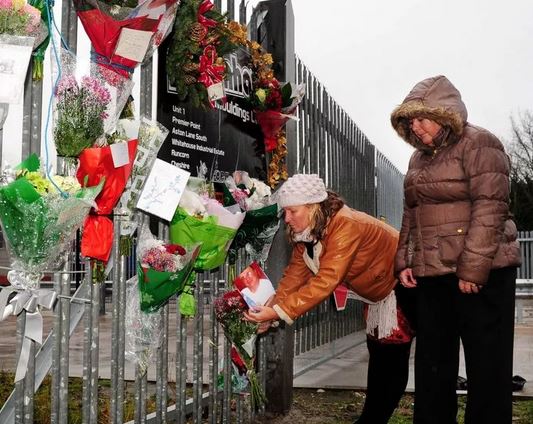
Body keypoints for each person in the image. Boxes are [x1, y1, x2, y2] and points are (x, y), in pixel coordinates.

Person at [390, 75, 521, 423]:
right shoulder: (417, 160)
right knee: (432, 364)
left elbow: (491, 206)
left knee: (487, 365)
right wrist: (405, 260)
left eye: (421, 118)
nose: (415, 127)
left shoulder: (479, 143)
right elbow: (411, 213)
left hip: (483, 273)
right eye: (410, 121)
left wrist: (472, 270)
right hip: (433, 274)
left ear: (443, 113)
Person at [244, 173, 417, 424]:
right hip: (382, 293)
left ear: (313, 207)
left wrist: (278, 312)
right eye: (285, 212)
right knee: (381, 360)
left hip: (405, 285)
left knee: (396, 361)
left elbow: (326, 280)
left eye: (292, 211)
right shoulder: (309, 232)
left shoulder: (345, 224)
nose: (286, 218)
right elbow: (293, 277)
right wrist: (270, 312)